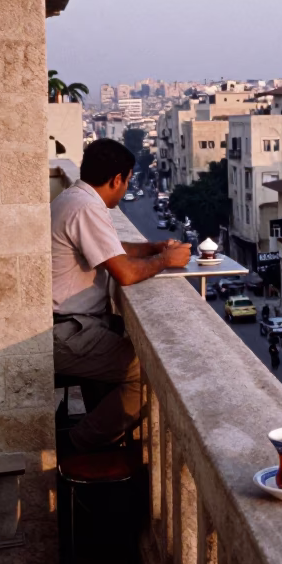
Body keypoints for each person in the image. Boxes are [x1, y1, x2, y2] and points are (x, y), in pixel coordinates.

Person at [51, 138, 191, 452]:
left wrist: (153, 247)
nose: (127, 187)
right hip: (65, 331)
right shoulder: (86, 208)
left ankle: (94, 436)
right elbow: (125, 274)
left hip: (72, 323)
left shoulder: (74, 198)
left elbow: (113, 250)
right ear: (117, 180)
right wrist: (164, 262)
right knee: (150, 373)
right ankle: (77, 444)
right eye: (127, 181)